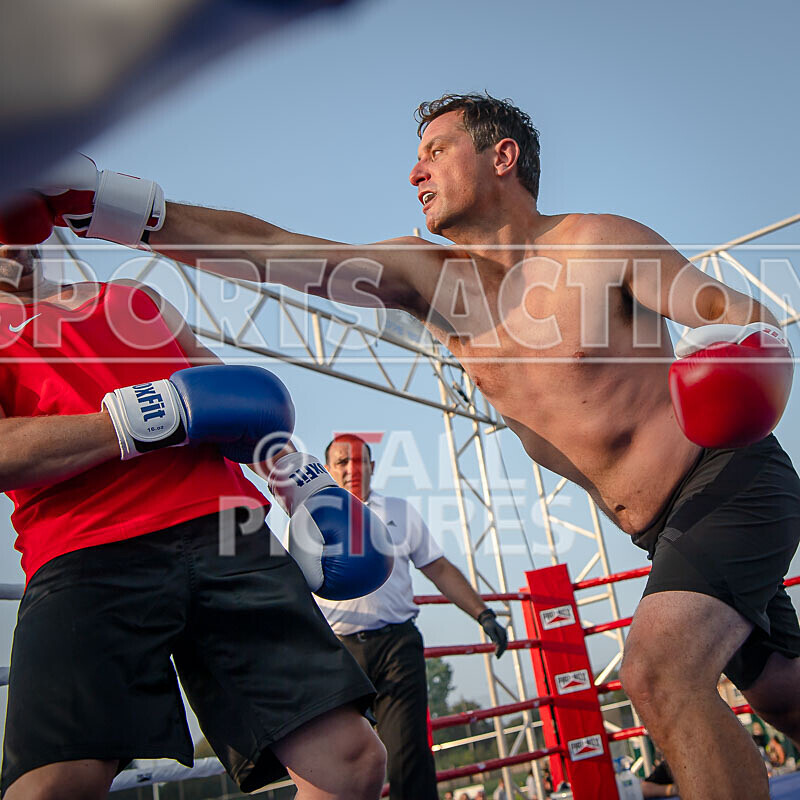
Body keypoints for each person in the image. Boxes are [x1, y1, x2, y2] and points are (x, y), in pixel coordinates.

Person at [10, 91, 800, 800]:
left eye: (435, 150)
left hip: (727, 479)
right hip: (658, 529)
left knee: (659, 672)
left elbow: (725, 310)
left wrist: (740, 347)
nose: (414, 171)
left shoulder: (598, 244)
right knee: (780, 692)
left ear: (502, 156)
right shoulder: (429, 277)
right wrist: (108, 206)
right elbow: (272, 249)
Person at [0, 244, 391, 800]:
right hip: (85, 549)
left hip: (227, 534)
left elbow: (245, 404)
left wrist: (306, 485)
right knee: (54, 786)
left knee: (348, 763)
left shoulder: (133, 299)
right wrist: (145, 415)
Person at [316, 433, 508, 800]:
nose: (351, 469)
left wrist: (483, 614)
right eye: (342, 462)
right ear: (328, 469)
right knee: (338, 761)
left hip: (396, 648)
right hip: (337, 654)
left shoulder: (399, 512)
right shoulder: (311, 518)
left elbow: (437, 567)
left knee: (409, 756)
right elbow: (290, 583)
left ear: (372, 467)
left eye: (359, 461)